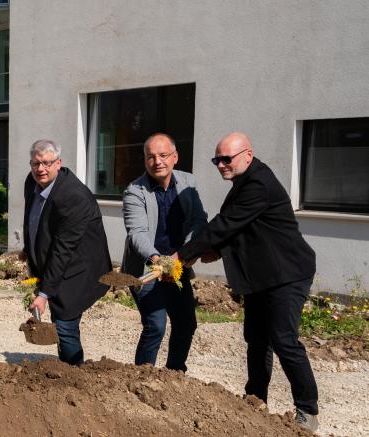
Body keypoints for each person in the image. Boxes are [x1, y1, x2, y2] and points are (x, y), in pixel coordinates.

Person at [174, 132, 319, 431]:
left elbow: (226, 224)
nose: (221, 165)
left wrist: (181, 255)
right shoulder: (243, 183)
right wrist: (214, 250)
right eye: (217, 160)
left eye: (227, 159)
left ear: (248, 155)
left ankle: (307, 411)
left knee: (283, 340)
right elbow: (243, 227)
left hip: (287, 273)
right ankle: (255, 400)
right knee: (256, 339)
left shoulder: (258, 184)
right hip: (261, 275)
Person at [121, 133, 208, 371]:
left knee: (186, 323)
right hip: (147, 268)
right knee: (155, 326)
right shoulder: (135, 191)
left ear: (175, 157)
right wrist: (158, 260)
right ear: (145, 160)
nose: (157, 161)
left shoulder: (188, 182)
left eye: (163, 155)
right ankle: (142, 376)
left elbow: (199, 220)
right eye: (151, 157)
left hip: (178, 265)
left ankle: (174, 374)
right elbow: (137, 233)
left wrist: (185, 254)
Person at [21, 139, 111, 366]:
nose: (40, 169)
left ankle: (73, 373)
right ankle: (66, 369)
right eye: (35, 163)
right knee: (60, 320)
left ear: (58, 163)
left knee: (64, 322)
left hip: (78, 267)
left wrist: (43, 295)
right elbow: (36, 220)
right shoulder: (32, 182)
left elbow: (64, 248)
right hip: (57, 261)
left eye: (47, 163)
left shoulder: (73, 196)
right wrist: (29, 249)